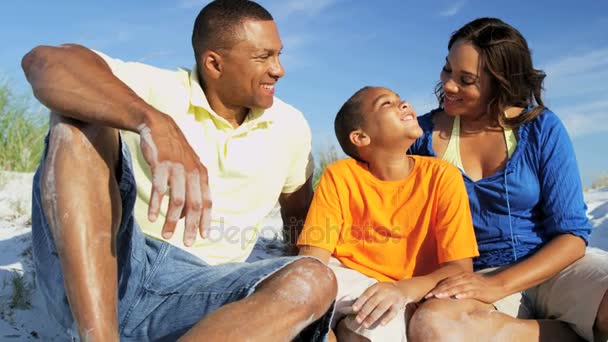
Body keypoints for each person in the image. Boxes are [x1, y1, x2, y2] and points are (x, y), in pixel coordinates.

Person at [22, 0, 337, 340]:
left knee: (314, 278)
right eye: (264, 57)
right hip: (113, 267)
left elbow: (300, 222)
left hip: (202, 294)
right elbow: (45, 61)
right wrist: (151, 121)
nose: (279, 70)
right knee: (77, 123)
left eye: (279, 55)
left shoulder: (290, 125)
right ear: (214, 64)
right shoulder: (158, 88)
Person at [407, 17, 608, 341]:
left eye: (466, 79)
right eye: (447, 70)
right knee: (431, 325)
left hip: (552, 269)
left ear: (500, 82)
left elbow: (571, 235)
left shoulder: (542, 128)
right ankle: (565, 335)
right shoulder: (420, 136)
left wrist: (497, 285)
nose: (448, 85)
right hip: (471, 277)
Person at [297, 86, 480, 341]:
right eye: (386, 104)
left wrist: (401, 290)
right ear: (361, 138)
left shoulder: (442, 177)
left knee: (376, 328)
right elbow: (313, 259)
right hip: (346, 283)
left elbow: (459, 270)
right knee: (304, 288)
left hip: (400, 296)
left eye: (400, 99)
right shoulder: (340, 176)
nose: (403, 104)